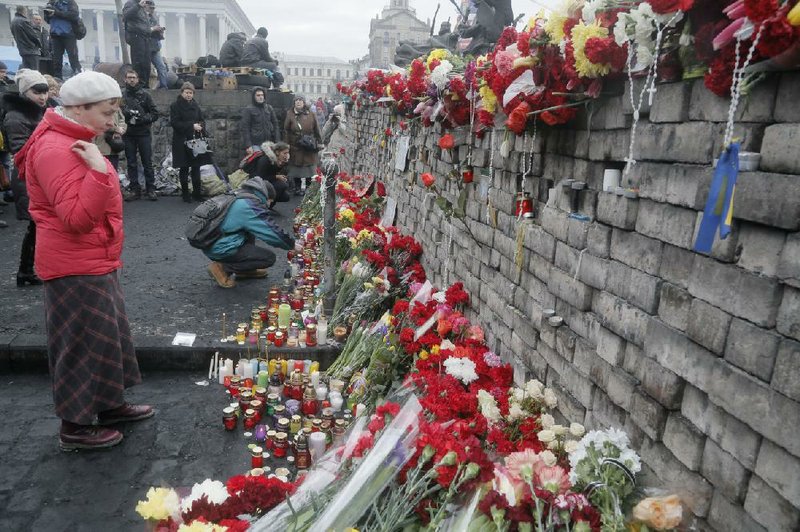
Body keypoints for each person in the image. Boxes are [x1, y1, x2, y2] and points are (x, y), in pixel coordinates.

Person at [14, 71, 152, 451]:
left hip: (92, 257)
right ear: (80, 108)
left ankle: (109, 405)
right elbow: (76, 219)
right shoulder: (57, 148)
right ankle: (74, 426)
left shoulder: (75, 140)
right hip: (74, 263)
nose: (113, 121)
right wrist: (97, 171)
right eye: (107, 112)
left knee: (107, 336)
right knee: (78, 342)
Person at [203, 176, 294, 288]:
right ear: (266, 196)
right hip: (220, 245)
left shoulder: (240, 195)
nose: (269, 205)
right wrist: (292, 244)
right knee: (268, 258)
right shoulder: (249, 205)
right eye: (270, 201)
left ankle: (245, 270)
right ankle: (222, 267)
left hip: (213, 239)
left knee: (250, 230)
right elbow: (271, 233)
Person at [3, 69, 48, 286]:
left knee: (38, 225)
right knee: (36, 224)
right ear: (24, 92)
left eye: (44, 92)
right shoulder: (15, 117)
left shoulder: (37, 112)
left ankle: (27, 270)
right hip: (27, 177)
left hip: (39, 175)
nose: (42, 96)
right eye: (36, 92)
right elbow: (21, 151)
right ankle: (26, 270)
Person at [120, 70, 158, 201]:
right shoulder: (122, 96)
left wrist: (144, 119)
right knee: (131, 163)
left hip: (143, 133)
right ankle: (134, 189)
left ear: (137, 79)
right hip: (129, 133)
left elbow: (155, 114)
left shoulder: (145, 95)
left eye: (133, 77)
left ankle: (151, 188)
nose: (131, 80)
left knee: (147, 161)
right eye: (129, 77)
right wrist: (126, 115)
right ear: (125, 79)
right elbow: (117, 112)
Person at [170, 82, 205, 202]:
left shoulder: (196, 105)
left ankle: (197, 193)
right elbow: (175, 123)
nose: (189, 95)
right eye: (187, 92)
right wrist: (192, 126)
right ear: (182, 93)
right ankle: (185, 194)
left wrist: (200, 126)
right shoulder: (175, 106)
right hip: (181, 140)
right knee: (184, 167)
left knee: (196, 167)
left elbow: (201, 120)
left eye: (191, 93)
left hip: (195, 140)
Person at [283, 95, 321, 195]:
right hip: (295, 145)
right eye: (296, 100)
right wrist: (287, 145)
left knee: (309, 168)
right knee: (296, 168)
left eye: (300, 100)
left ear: (304, 102)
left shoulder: (311, 114)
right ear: (294, 102)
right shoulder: (290, 114)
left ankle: (308, 188)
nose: (298, 102)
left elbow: (317, 129)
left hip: (308, 145)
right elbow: (286, 130)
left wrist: (319, 142)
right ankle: (298, 188)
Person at [241, 141, 291, 207]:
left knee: (286, 196)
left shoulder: (278, 159)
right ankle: (263, 206)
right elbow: (260, 177)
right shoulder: (265, 159)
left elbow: (284, 173)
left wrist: (283, 164)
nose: (286, 155)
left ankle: (269, 205)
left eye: (287, 153)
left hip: (268, 180)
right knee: (281, 185)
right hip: (255, 181)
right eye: (285, 153)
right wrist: (276, 177)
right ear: (277, 152)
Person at [123, 0, 161, 87]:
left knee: (146, 64)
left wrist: (153, 31)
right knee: (138, 62)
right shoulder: (131, 4)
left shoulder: (143, 7)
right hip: (136, 36)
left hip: (145, 37)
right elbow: (125, 16)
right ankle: (137, 85)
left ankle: (145, 85)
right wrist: (138, 6)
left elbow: (145, 24)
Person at [43, 0, 82, 80]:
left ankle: (78, 76)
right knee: (56, 60)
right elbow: (47, 20)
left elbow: (74, 15)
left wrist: (57, 13)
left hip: (69, 34)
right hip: (55, 35)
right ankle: (58, 78)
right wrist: (48, 15)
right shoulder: (52, 3)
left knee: (73, 57)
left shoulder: (70, 2)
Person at [241, 86, 280, 154]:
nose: (261, 97)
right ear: (254, 97)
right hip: (255, 144)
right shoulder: (248, 109)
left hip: (269, 143)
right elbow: (245, 128)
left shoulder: (269, 108)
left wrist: (277, 141)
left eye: (262, 95)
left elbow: (275, 124)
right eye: (258, 95)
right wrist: (248, 145)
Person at [144, 1, 168, 89]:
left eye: (153, 8)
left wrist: (160, 31)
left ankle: (164, 86)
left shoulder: (153, 17)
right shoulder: (141, 17)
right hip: (145, 47)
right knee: (146, 69)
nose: (152, 10)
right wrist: (153, 29)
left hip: (155, 47)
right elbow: (141, 30)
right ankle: (145, 87)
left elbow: (156, 33)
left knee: (161, 67)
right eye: (151, 8)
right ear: (145, 7)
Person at [11, 6, 42, 71]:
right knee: (34, 72)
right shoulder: (24, 21)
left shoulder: (13, 21)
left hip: (22, 49)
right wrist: (39, 44)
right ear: (24, 12)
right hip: (31, 50)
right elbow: (32, 35)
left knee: (26, 71)